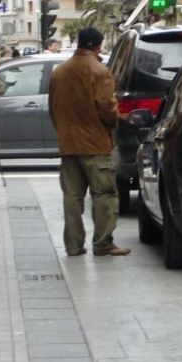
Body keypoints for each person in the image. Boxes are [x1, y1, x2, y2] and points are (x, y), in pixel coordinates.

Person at [48, 27, 130, 257]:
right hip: (95, 144)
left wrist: (64, 131)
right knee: (103, 195)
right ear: (97, 45)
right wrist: (114, 122)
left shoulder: (59, 72)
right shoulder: (99, 71)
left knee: (72, 198)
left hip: (68, 143)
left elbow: (53, 109)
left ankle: (73, 246)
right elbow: (107, 108)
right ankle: (103, 243)